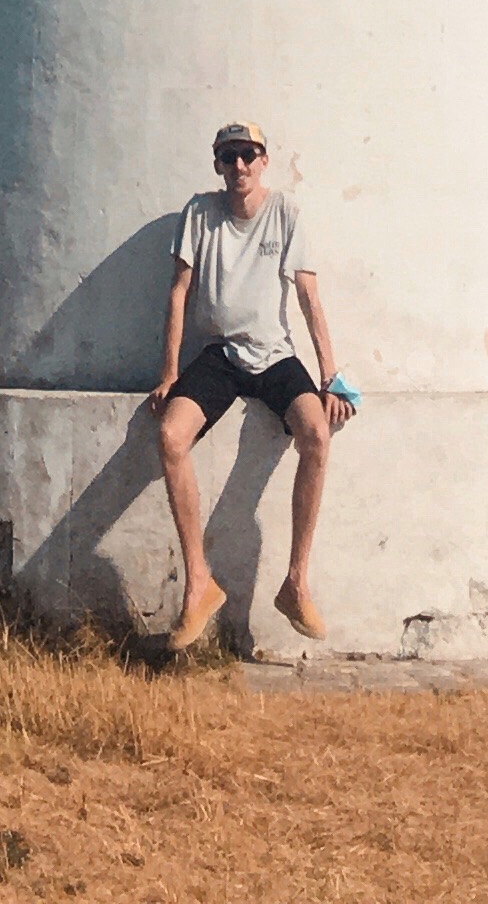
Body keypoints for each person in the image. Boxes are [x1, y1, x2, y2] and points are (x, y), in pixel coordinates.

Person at [148, 119, 354, 646]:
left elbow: (308, 295)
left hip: (275, 355)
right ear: (217, 163)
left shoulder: (285, 213)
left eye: (248, 154)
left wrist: (331, 378)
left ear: (264, 160)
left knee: (316, 434)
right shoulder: (200, 213)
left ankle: (296, 583)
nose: (238, 165)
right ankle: (199, 586)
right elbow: (178, 292)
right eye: (228, 156)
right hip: (219, 354)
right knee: (170, 437)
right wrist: (170, 373)